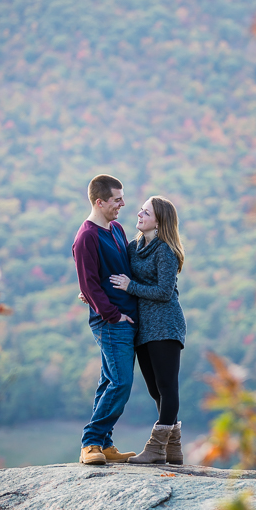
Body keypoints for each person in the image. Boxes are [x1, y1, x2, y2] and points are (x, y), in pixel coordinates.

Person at [109, 195, 187, 465]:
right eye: (141, 211)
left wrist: (130, 286)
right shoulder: (134, 247)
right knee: (155, 391)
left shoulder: (164, 250)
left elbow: (165, 292)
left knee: (167, 388)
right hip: (143, 328)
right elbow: (117, 278)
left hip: (165, 325)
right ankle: (173, 449)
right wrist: (94, 294)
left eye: (146, 213)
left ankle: (156, 448)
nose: (139, 215)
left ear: (159, 221)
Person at [72, 174, 139, 465]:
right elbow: (88, 283)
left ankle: (105, 444)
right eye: (116, 199)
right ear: (99, 202)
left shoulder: (116, 229)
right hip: (111, 321)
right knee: (121, 383)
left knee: (109, 380)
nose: (123, 203)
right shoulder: (87, 236)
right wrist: (114, 315)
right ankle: (90, 442)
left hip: (125, 317)